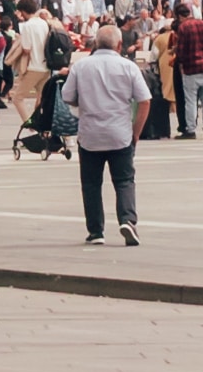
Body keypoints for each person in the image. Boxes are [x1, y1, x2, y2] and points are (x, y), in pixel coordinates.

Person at [63, 19, 149, 246]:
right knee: (124, 180)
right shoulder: (128, 66)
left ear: (94, 43)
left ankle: (95, 231)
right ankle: (128, 220)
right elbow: (144, 100)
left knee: (91, 183)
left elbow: (67, 96)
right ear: (119, 45)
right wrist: (136, 131)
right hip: (119, 133)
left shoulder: (81, 66)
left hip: (90, 134)